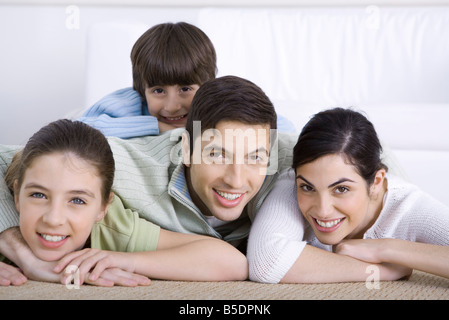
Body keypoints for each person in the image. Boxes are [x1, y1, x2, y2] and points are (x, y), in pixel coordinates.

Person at [0, 75, 297, 284]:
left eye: (255, 158)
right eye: (217, 154)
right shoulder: (125, 165)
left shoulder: (289, 158)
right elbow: (19, 159)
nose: (235, 179)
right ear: (187, 149)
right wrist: (20, 251)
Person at [0, 119, 248, 287]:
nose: (53, 218)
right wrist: (29, 261)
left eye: (77, 200)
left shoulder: (112, 227)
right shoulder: (10, 193)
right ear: (16, 195)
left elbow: (233, 263)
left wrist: (124, 260)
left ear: (103, 208)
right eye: (38, 195)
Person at [247, 107, 449, 283]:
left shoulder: (408, 207)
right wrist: (380, 271)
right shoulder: (292, 181)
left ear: (376, 182)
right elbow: (266, 263)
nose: (323, 210)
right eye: (308, 188)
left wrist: (385, 248)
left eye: (341, 189)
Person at [78, 22, 296, 138]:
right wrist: (156, 126)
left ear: (207, 87)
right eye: (158, 91)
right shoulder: (132, 103)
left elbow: (284, 127)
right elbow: (82, 128)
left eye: (185, 89)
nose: (172, 106)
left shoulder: (218, 105)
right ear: (142, 89)